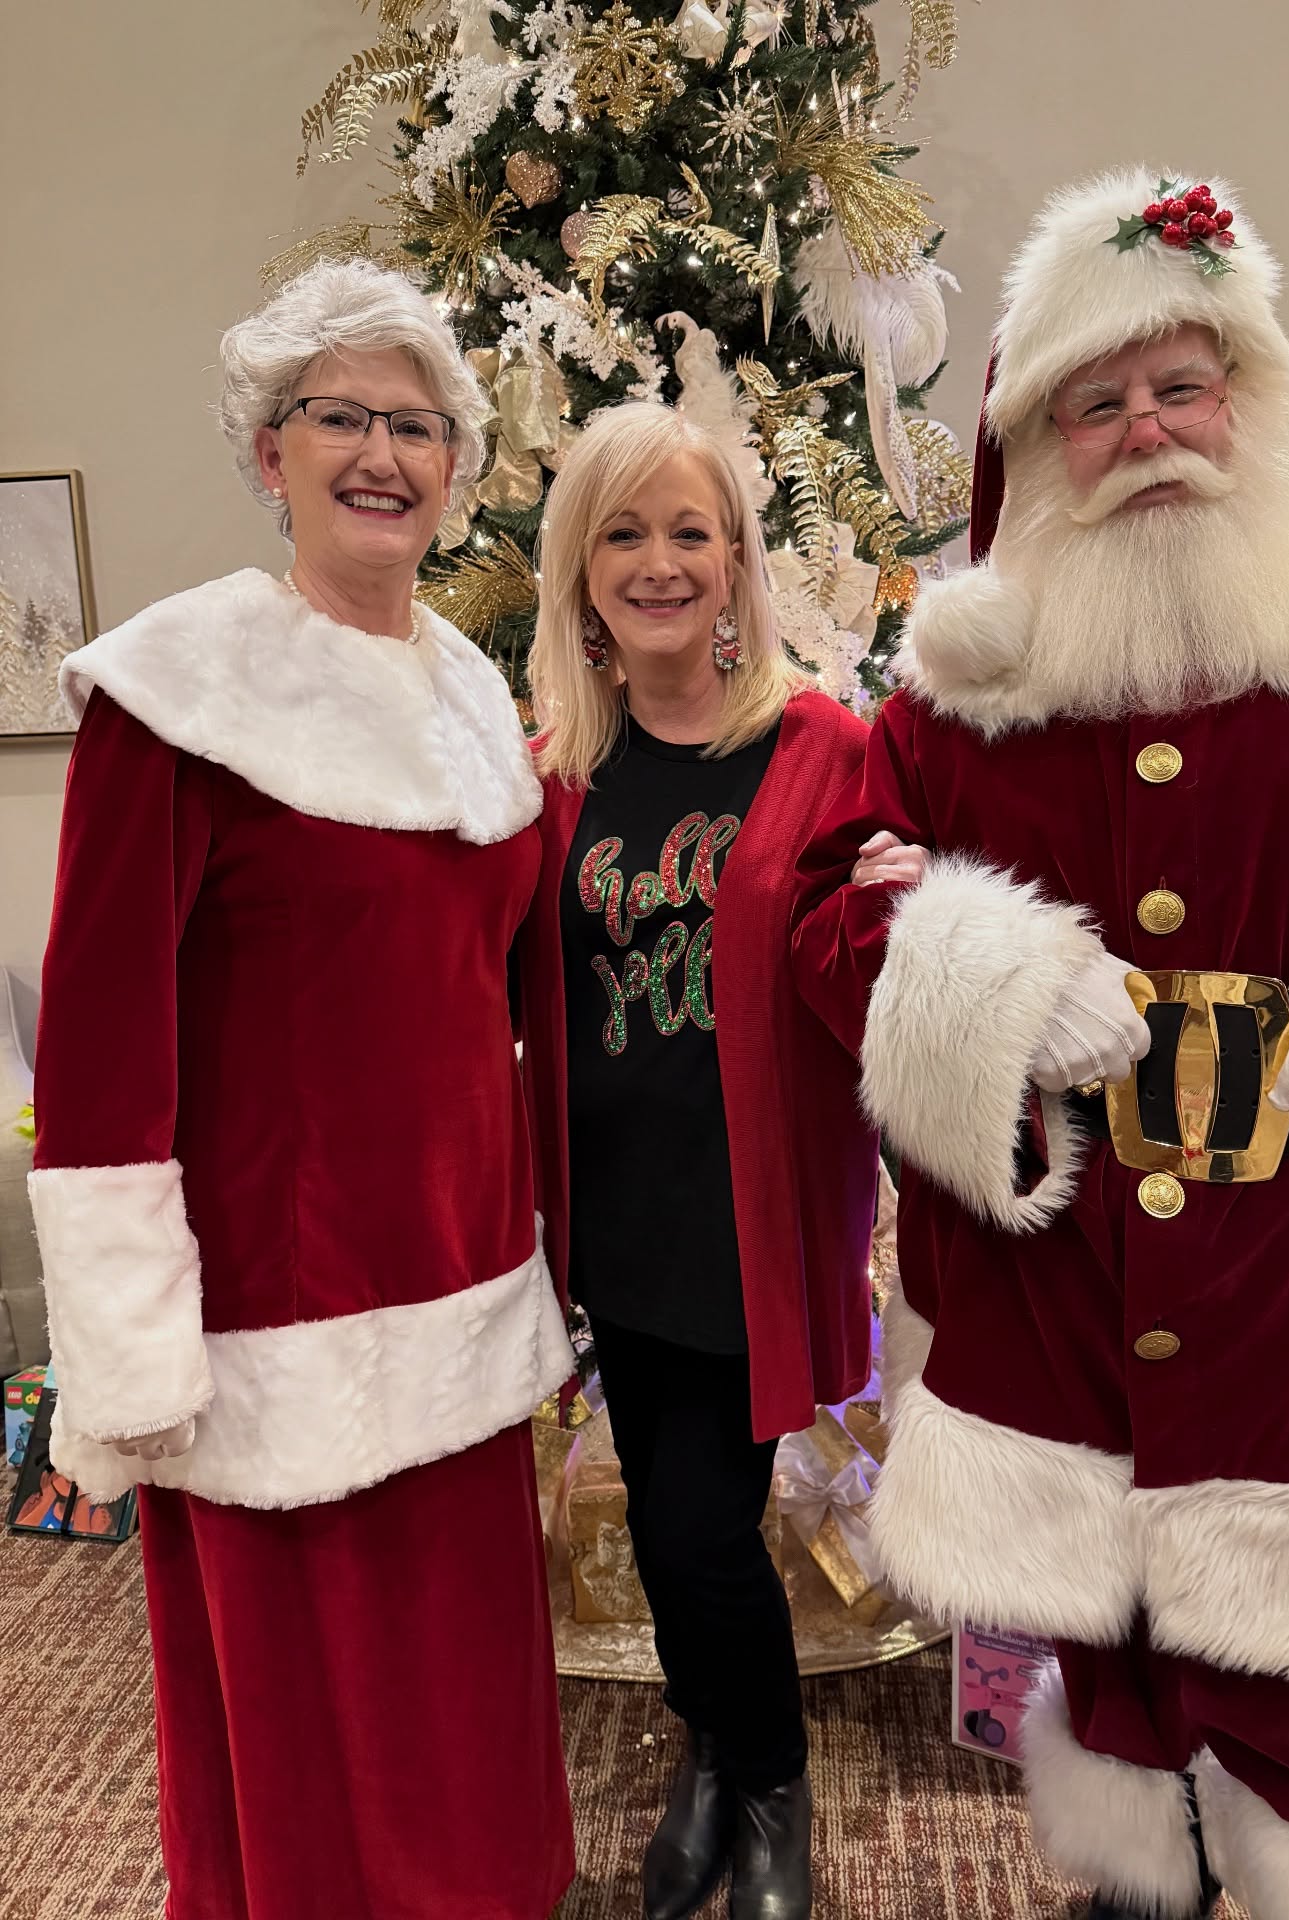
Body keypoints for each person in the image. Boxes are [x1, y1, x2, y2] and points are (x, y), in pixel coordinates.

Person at [793, 166, 1289, 1920]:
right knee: (1129, 1683)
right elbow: (829, 913)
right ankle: (1151, 1878)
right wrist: (976, 972)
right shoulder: (951, 699)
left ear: (1251, 396)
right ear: (1041, 447)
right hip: (1079, 1286)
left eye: (1180, 383)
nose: (1146, 429)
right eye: (1098, 401)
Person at [27, 260, 576, 1920]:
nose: (382, 456)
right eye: (341, 417)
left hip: (467, 1281)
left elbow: (510, 992)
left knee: (466, 1693)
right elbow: (102, 1037)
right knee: (315, 1729)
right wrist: (127, 1345)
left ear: (457, 470)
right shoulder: (178, 696)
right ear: (269, 452)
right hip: (278, 1312)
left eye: (417, 427)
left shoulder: (480, 701)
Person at [518, 401, 877, 1920]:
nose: (659, 562)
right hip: (616, 1219)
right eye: (624, 533)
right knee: (676, 1536)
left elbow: (876, 985)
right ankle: (714, 1753)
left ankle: (771, 1781)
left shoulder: (821, 751)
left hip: (749, 1217)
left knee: (694, 1524)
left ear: (736, 558)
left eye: (690, 531)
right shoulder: (553, 774)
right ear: (579, 569)